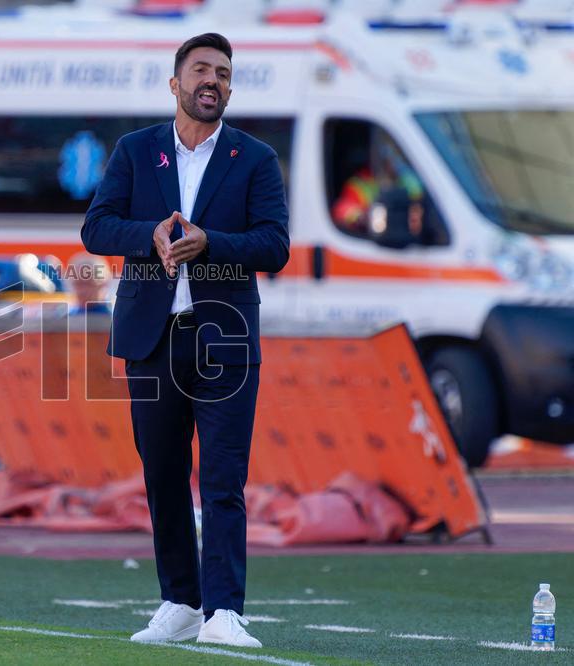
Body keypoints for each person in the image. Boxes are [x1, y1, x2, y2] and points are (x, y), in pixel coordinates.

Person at [81, 33, 289, 648]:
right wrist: (149, 235)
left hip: (224, 340)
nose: (212, 81)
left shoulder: (255, 158)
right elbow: (96, 228)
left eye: (222, 73)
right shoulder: (136, 150)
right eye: (200, 70)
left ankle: (224, 612)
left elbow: (275, 244)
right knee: (163, 476)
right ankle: (181, 601)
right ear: (175, 83)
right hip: (151, 339)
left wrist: (211, 243)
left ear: (229, 87)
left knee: (223, 480)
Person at [331, 131, 425, 235]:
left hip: (407, 238)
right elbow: (342, 210)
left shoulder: (408, 179)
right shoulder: (360, 184)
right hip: (374, 238)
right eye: (387, 158)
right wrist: (362, 217)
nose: (393, 163)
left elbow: (423, 203)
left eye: (395, 157)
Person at [67, 251, 112, 315]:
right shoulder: (67, 316)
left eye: (88, 284)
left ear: (104, 284)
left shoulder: (116, 317)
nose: (83, 290)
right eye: (78, 284)